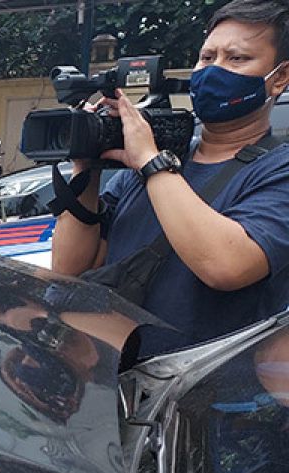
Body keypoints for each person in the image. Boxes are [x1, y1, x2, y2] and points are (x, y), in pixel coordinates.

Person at [51, 0, 289, 359]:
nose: (214, 71)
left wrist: (150, 160)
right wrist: (87, 169)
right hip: (117, 385)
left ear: (280, 78)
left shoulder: (276, 169)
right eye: (207, 58)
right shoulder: (152, 162)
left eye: (237, 59)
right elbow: (71, 268)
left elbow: (226, 265)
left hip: (208, 400)